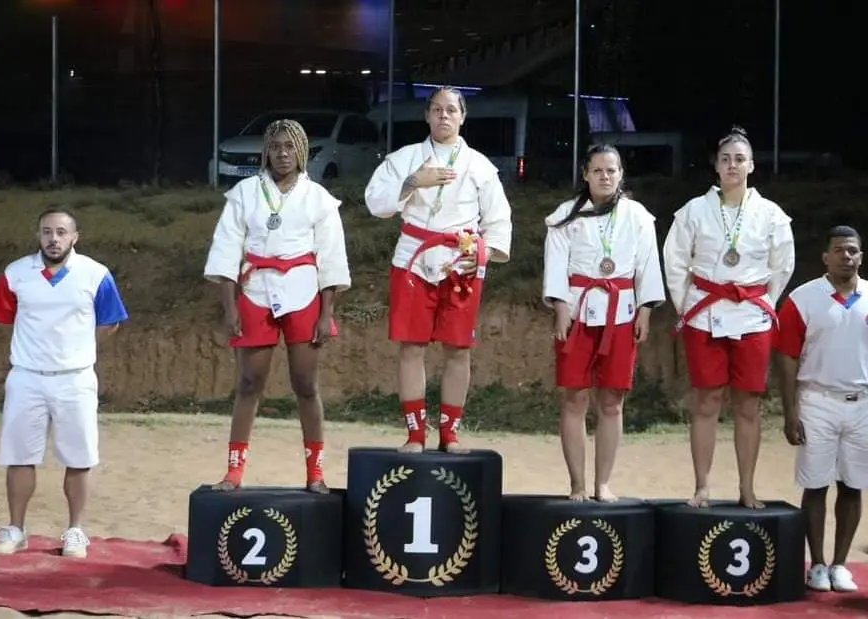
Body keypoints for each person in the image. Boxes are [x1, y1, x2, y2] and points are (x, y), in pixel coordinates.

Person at [203, 119, 351, 494]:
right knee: (250, 382)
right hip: (255, 290)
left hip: (304, 292)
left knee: (305, 384)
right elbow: (226, 250)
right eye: (275, 147)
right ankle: (234, 470)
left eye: (289, 147)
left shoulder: (318, 197)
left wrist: (326, 312)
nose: (282, 154)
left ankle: (315, 471)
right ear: (265, 152)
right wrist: (230, 306)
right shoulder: (245, 192)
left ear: (301, 151)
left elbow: (331, 257)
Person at [364, 86, 512, 454]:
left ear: (463, 116)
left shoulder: (480, 165)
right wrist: (414, 181)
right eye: (436, 109)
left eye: (451, 110)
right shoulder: (405, 158)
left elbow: (499, 218)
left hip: (460, 262)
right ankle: (415, 433)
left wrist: (484, 252)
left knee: (458, 349)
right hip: (413, 258)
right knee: (411, 346)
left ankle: (450, 433)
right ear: (427, 116)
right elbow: (375, 202)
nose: (443, 116)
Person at [0, 207, 129, 558]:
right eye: (47, 231)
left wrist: (78, 349)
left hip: (75, 378)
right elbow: (4, 319)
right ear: (38, 235)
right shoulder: (16, 273)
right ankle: (16, 529)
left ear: (74, 237)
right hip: (27, 378)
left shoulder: (95, 274)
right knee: (19, 456)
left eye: (61, 232)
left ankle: (75, 530)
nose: (54, 238)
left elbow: (110, 322)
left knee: (79, 457)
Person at [662, 126, 795, 509]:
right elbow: (675, 260)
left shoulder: (771, 215)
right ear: (715, 166)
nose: (733, 165)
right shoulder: (693, 211)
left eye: (740, 159)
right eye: (726, 159)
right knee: (706, 401)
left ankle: (747, 487)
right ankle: (702, 484)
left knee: (748, 405)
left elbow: (782, 265)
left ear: (751, 165)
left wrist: (765, 301)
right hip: (706, 314)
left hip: (752, 316)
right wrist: (687, 306)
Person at [774, 226, 868, 592]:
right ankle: (817, 564)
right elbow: (786, 358)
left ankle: (841, 564)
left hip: (864, 402)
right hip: (817, 400)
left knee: (853, 485)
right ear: (825, 257)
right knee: (815, 484)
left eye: (853, 250)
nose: (847, 256)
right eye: (839, 250)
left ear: (862, 256)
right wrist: (790, 411)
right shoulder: (803, 298)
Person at [542, 144, 666, 502]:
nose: (605, 176)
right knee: (574, 399)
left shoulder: (637, 215)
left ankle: (603, 483)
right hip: (579, 313)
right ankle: (578, 484)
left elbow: (647, 264)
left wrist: (646, 309)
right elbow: (555, 264)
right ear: (585, 174)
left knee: (612, 402)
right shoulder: (566, 216)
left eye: (611, 170)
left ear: (621, 174)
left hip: (621, 313)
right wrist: (560, 306)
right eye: (597, 170)